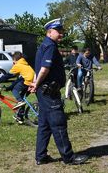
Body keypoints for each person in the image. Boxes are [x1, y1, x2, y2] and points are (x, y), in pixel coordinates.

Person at [29, 18, 88, 165]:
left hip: (43, 92)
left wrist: (36, 83)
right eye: (58, 31)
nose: (61, 34)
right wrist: (37, 83)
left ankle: (41, 156)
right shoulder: (50, 46)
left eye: (62, 31)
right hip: (49, 93)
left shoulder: (43, 45)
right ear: (49, 32)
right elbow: (44, 69)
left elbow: (38, 69)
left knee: (44, 125)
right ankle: (68, 157)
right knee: (58, 123)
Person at [0, 52, 35, 123]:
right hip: (32, 81)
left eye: (13, 60)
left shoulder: (18, 65)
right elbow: (17, 80)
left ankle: (20, 102)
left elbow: (8, 75)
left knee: (15, 90)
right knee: (21, 97)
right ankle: (20, 117)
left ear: (15, 59)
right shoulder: (25, 64)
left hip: (27, 80)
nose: (13, 62)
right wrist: (8, 88)